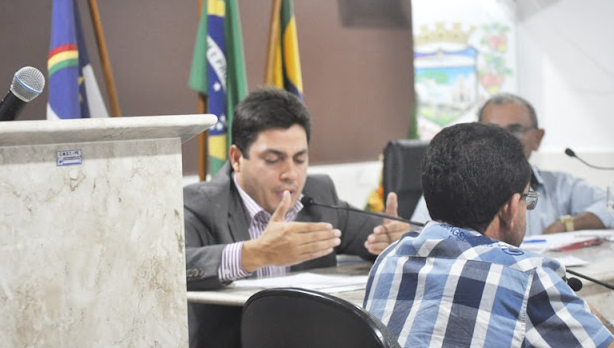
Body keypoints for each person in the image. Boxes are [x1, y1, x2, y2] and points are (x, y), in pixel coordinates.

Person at [183, 87, 409, 348]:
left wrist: (396, 241)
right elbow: (173, 269)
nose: (290, 173)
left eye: (300, 159)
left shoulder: (318, 194)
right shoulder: (202, 204)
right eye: (273, 159)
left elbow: (380, 235)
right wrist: (254, 254)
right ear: (236, 158)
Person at [364, 122, 614, 348]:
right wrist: (591, 315)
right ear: (511, 208)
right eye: (527, 198)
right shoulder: (527, 275)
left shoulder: (389, 260)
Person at [411, 92, 613, 235]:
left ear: (537, 138)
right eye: (492, 130)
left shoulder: (560, 186)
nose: (504, 139)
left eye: (515, 130)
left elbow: (610, 205)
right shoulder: (451, 187)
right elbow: (420, 236)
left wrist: (566, 224)